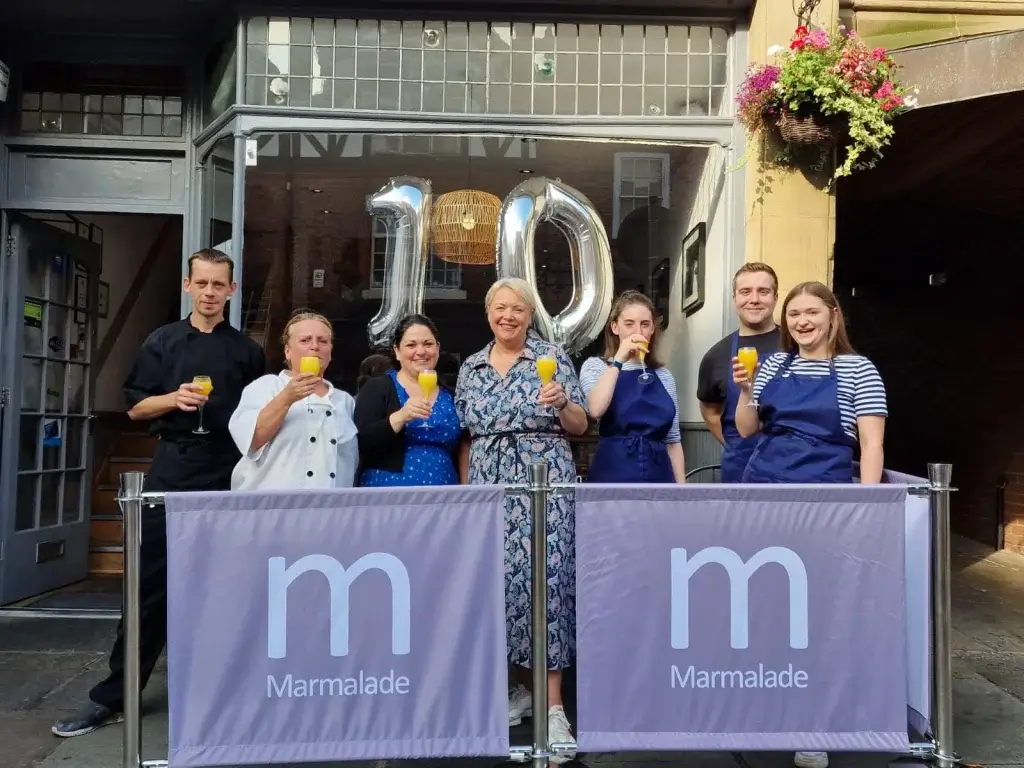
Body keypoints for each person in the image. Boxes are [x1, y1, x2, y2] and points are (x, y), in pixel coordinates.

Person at [52, 249, 265, 738]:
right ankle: (116, 696)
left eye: (219, 285)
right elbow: (134, 408)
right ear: (189, 286)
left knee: (226, 589)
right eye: (203, 284)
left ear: (232, 291)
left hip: (229, 471)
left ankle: (222, 690)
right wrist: (175, 397)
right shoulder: (161, 342)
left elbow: (258, 417)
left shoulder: (247, 352)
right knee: (149, 589)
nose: (211, 293)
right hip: (173, 465)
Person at [732, 281, 888, 768]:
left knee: (816, 617)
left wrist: (867, 508)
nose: (802, 321)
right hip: (764, 495)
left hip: (825, 503)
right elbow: (746, 428)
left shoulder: (859, 370)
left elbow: (872, 446)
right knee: (765, 611)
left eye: (811, 312)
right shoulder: (774, 364)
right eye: (794, 313)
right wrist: (744, 391)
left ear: (833, 316)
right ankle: (766, 710)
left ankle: (813, 724)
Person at [454, 278, 589, 762]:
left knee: (547, 584)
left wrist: (563, 404)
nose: (508, 316)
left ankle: (553, 705)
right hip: (491, 482)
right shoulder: (470, 366)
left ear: (531, 315)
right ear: (488, 313)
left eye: (517, 309)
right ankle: (519, 689)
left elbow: (580, 425)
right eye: (500, 308)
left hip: (545, 478)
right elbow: (467, 435)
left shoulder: (550, 357)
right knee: (500, 585)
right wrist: (472, 492)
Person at [228, 311, 358, 491]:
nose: (315, 346)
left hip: (329, 509)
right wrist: (287, 397)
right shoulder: (266, 387)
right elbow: (252, 440)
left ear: (330, 352)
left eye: (323, 341)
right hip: (272, 508)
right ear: (287, 351)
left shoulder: (345, 401)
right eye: (305, 340)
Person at [579, 290, 685, 483]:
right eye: (629, 324)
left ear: (653, 329)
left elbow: (673, 441)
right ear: (614, 327)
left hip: (659, 474)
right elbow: (595, 409)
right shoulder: (596, 367)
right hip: (612, 471)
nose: (638, 332)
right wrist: (619, 359)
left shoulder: (664, 375)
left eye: (645, 324)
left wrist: (682, 491)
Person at [696, 262, 781, 482]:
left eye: (763, 291)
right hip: (740, 471)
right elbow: (709, 410)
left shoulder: (796, 347)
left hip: (790, 466)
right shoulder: (716, 356)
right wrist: (736, 444)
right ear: (735, 299)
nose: (754, 299)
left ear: (775, 298)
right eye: (745, 292)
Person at [354, 315, 460, 487]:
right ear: (397, 351)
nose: (421, 351)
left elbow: (463, 446)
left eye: (428, 344)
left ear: (438, 348)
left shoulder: (451, 394)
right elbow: (361, 442)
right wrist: (400, 417)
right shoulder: (378, 387)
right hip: (390, 495)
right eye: (411, 345)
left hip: (443, 496)